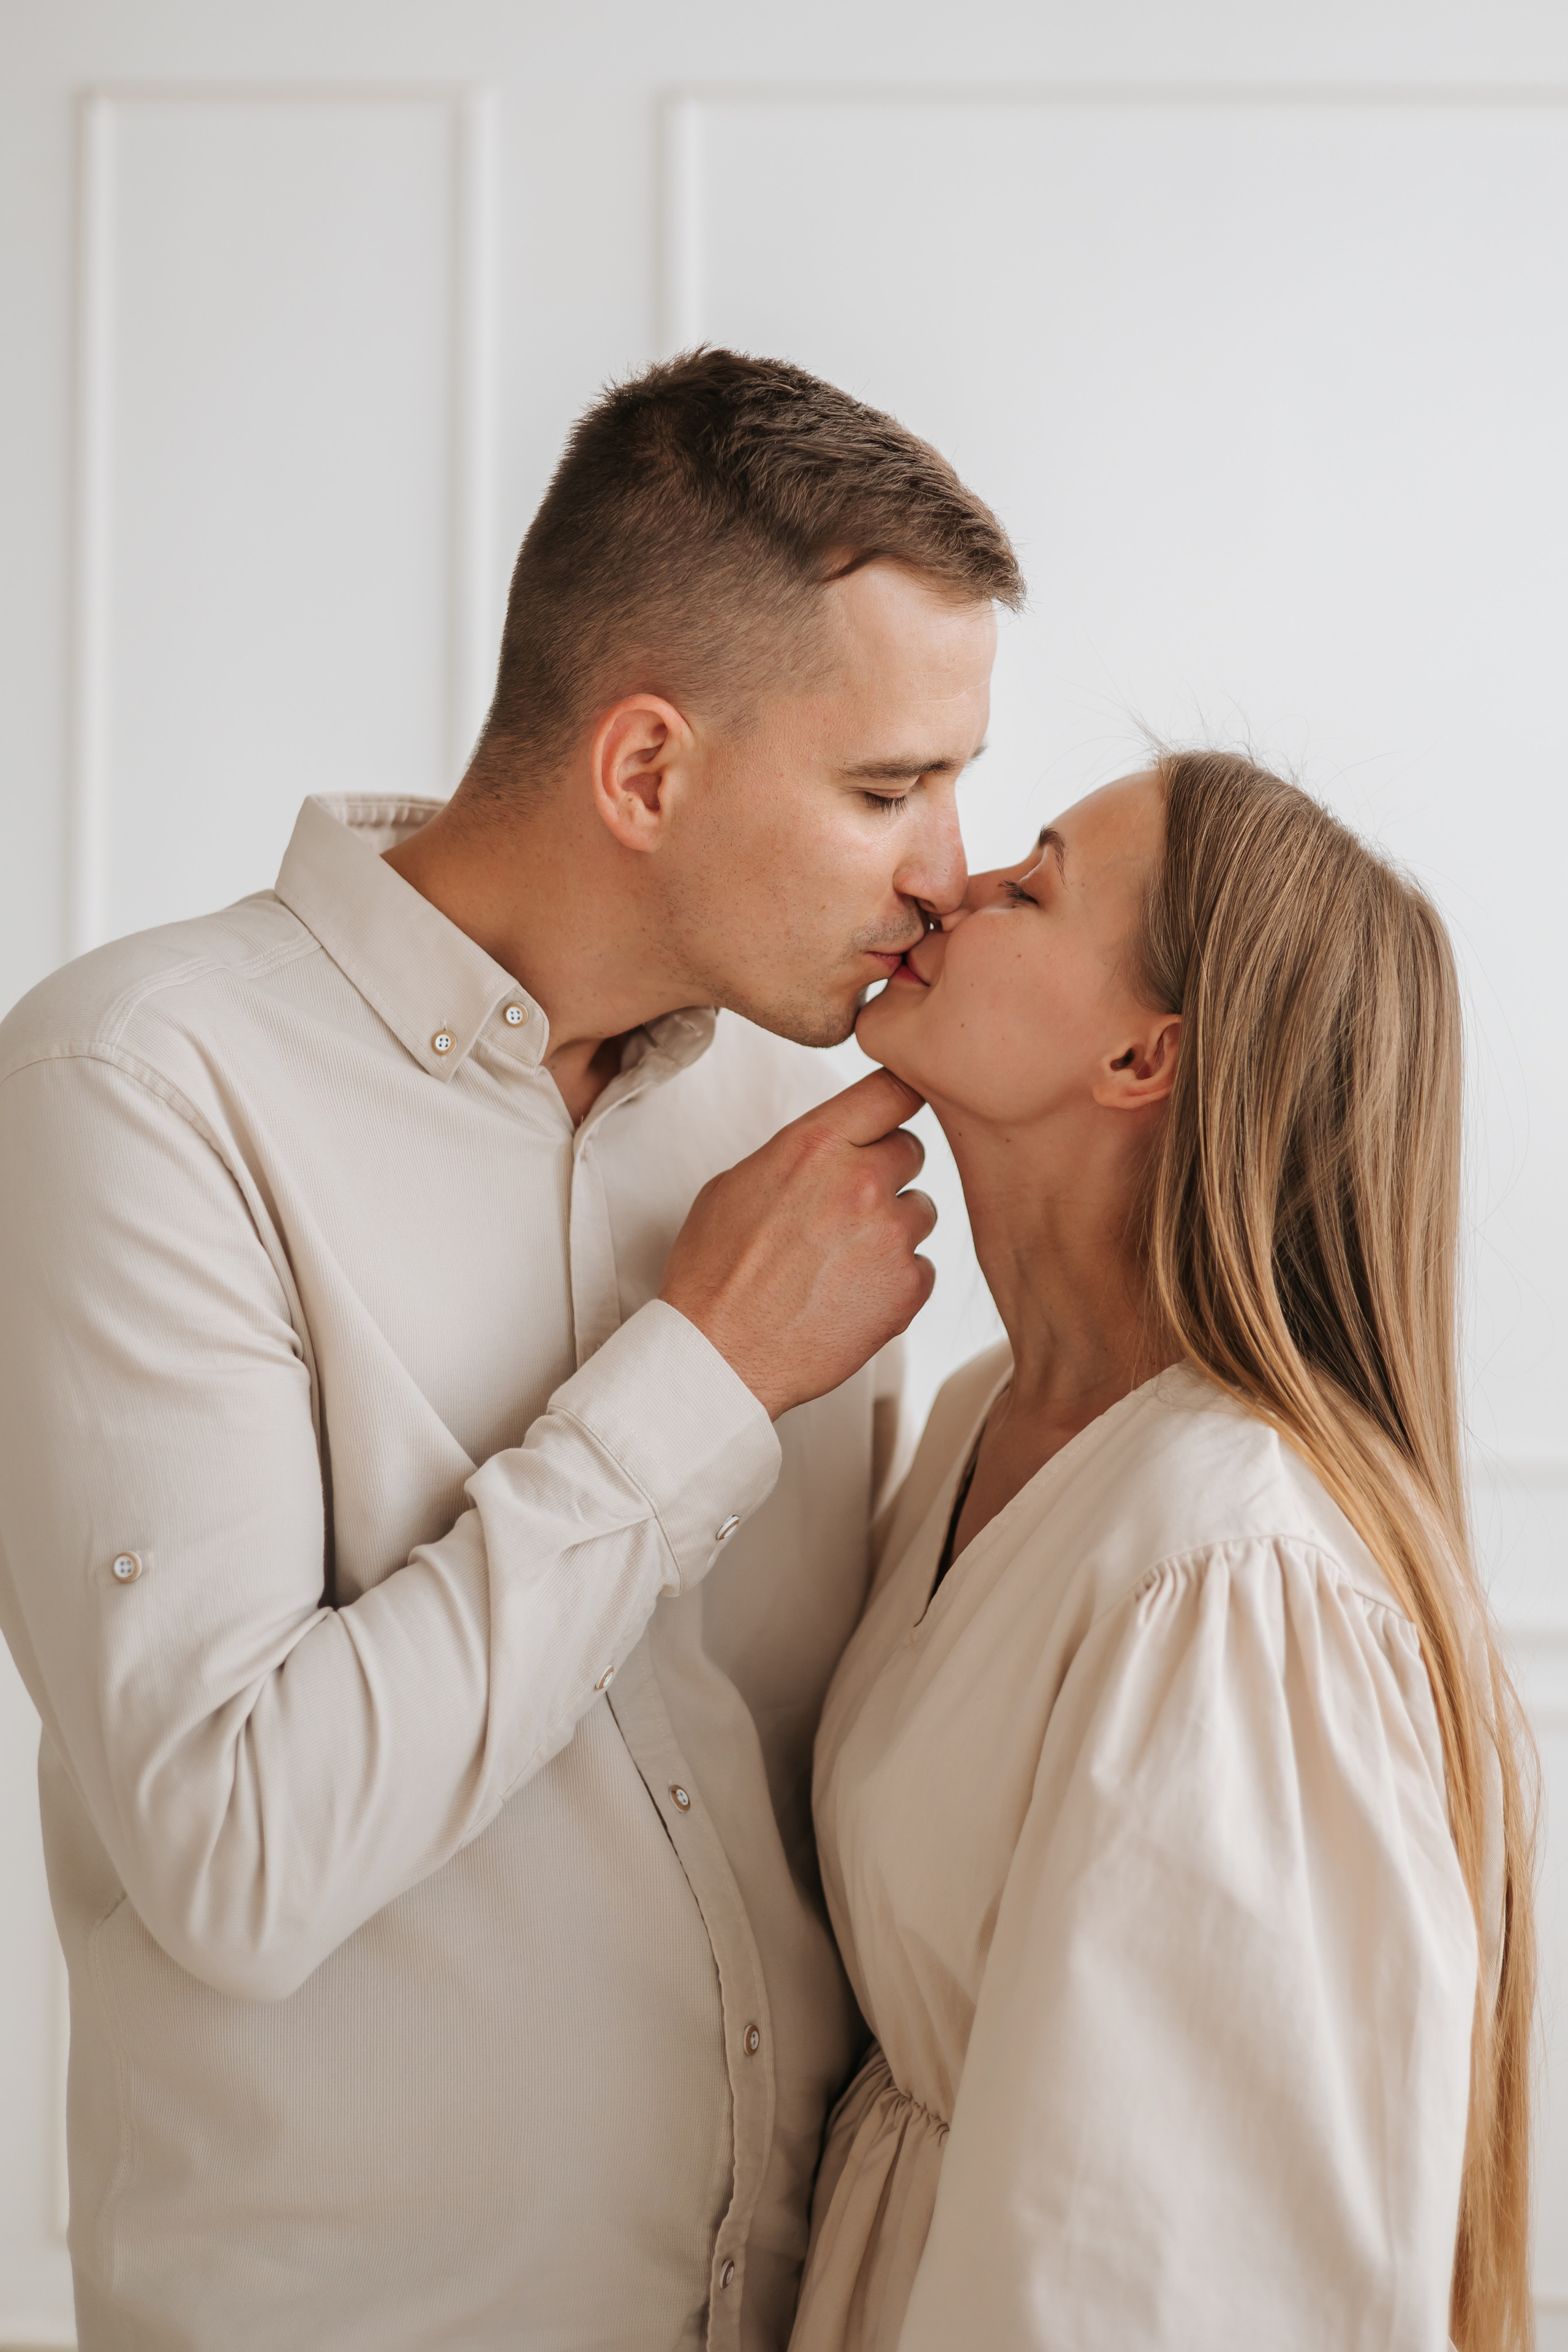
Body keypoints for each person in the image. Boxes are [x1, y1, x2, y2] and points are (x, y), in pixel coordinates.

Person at [0, 350, 1022, 2350]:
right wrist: (701, 1378)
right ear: (644, 770)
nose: (947, 870)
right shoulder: (138, 1086)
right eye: (888, 788)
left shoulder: (790, 1138)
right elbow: (234, 1849)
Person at [789, 750, 1536, 2352]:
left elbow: (1153, 2281)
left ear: (1143, 1052)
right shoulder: (978, 1423)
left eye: (1036, 882)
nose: (956, 883)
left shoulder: (1235, 1576)